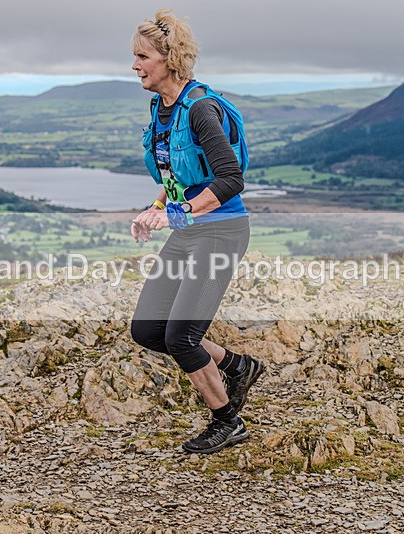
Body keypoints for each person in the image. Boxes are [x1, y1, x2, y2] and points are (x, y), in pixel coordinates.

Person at [129, 9, 265, 455]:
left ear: (168, 58)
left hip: (221, 231)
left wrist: (179, 213)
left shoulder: (202, 109)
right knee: (148, 330)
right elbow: (175, 177)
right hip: (188, 228)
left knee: (181, 337)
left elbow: (229, 179)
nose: (135, 66)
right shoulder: (161, 108)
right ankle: (238, 365)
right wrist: (155, 209)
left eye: (141, 56)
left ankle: (228, 422)